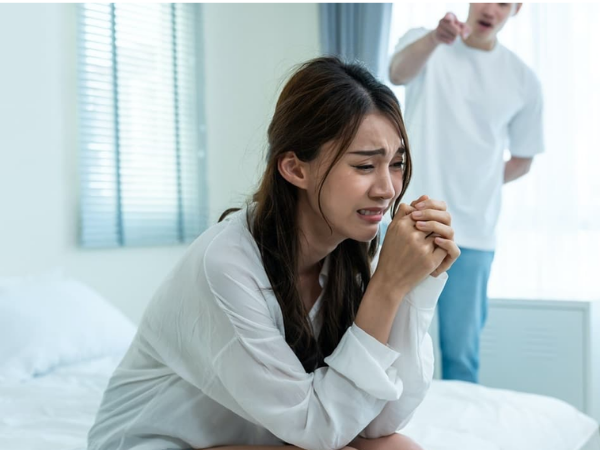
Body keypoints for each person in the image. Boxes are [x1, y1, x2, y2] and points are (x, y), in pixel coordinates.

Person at [87, 56, 460, 450]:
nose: (387, 189)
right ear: (295, 169)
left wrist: (414, 285)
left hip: (260, 437)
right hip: (157, 443)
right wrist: (386, 288)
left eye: (396, 163)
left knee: (399, 448)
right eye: (365, 165)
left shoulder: (346, 256)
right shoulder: (226, 265)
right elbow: (319, 428)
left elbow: (378, 420)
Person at [388, 3, 544, 383]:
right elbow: (396, 73)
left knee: (461, 355)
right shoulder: (426, 42)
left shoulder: (522, 79)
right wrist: (434, 39)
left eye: (504, 2)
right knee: (391, 345)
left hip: (473, 234)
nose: (491, 8)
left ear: (516, 9)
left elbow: (523, 160)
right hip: (412, 220)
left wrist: (481, 182)